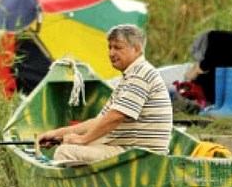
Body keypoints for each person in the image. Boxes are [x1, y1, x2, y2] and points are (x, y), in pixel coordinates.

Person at [38, 24, 173, 162]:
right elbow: (99, 122)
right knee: (72, 143)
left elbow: (116, 117)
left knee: (65, 152)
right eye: (110, 47)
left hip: (139, 156)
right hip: (129, 149)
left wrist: (83, 140)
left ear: (137, 49)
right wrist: (58, 134)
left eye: (118, 48)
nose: (111, 53)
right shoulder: (131, 75)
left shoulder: (140, 74)